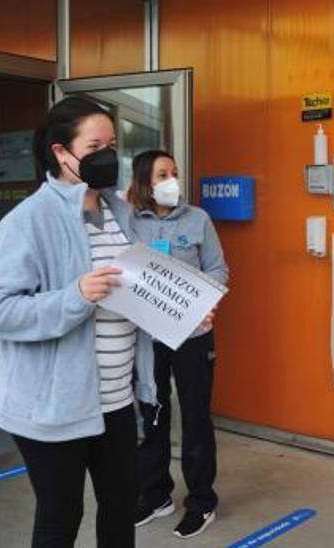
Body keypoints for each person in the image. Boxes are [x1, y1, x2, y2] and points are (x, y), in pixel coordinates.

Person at [0, 97, 157, 548]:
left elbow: (139, 294)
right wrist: (73, 296)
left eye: (112, 144)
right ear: (60, 153)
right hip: (54, 406)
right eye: (95, 145)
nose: (107, 155)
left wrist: (186, 316)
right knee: (61, 516)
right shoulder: (28, 220)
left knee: (120, 508)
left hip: (115, 400)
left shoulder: (121, 213)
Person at [127, 150, 229, 539]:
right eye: (161, 174)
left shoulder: (198, 219)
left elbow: (218, 268)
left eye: (174, 172)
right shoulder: (130, 222)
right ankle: (155, 495)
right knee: (151, 414)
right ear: (144, 183)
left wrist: (205, 301)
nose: (171, 179)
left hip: (193, 335)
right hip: (148, 336)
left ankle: (201, 501)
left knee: (196, 416)